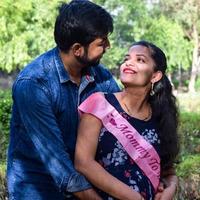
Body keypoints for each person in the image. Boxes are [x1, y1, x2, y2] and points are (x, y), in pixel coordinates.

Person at [6, 1, 120, 199]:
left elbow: (125, 127)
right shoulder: (34, 84)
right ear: (77, 49)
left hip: (83, 182)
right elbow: (59, 165)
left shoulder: (102, 77)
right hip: (37, 187)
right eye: (102, 43)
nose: (108, 47)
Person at [75, 40, 179, 200]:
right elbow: (83, 163)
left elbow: (168, 172)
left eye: (140, 60)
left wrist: (171, 188)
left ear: (155, 75)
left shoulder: (160, 118)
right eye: (126, 59)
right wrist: (132, 197)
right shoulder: (99, 103)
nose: (128, 63)